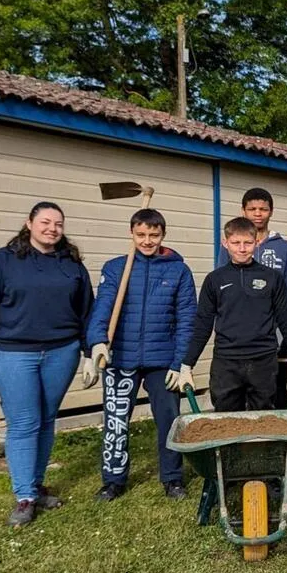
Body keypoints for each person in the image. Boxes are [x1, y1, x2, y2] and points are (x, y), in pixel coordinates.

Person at [0, 202, 95, 527]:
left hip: (62, 352)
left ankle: (36, 486)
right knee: (24, 422)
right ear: (29, 223)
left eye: (58, 224)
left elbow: (86, 309)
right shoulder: (2, 261)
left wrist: (89, 351)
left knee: (46, 420)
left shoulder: (71, 264)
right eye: (45, 222)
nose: (52, 229)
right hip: (14, 354)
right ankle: (24, 496)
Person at [86, 209, 197, 502]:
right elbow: (102, 308)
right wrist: (97, 342)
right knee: (116, 421)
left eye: (153, 235)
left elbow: (187, 319)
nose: (147, 241)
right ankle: (113, 480)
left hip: (163, 361)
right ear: (131, 234)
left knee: (169, 419)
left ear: (163, 235)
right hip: (121, 358)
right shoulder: (115, 268)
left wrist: (181, 363)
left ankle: (172, 478)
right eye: (141, 235)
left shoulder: (178, 271)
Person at [180, 217, 287, 411]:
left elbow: (286, 321)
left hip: (263, 360)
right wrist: (186, 365)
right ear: (225, 243)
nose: (242, 249)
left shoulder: (272, 278)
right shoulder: (214, 280)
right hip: (226, 362)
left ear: (257, 242)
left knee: (263, 416)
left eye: (248, 243)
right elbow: (202, 325)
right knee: (226, 418)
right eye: (236, 243)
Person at [217, 187, 287, 409]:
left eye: (263, 209)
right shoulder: (231, 246)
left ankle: (277, 429)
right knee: (236, 394)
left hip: (275, 334)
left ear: (271, 211)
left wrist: (276, 329)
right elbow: (222, 286)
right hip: (239, 338)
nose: (257, 213)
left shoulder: (286, 248)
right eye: (252, 209)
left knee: (274, 390)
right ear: (243, 211)